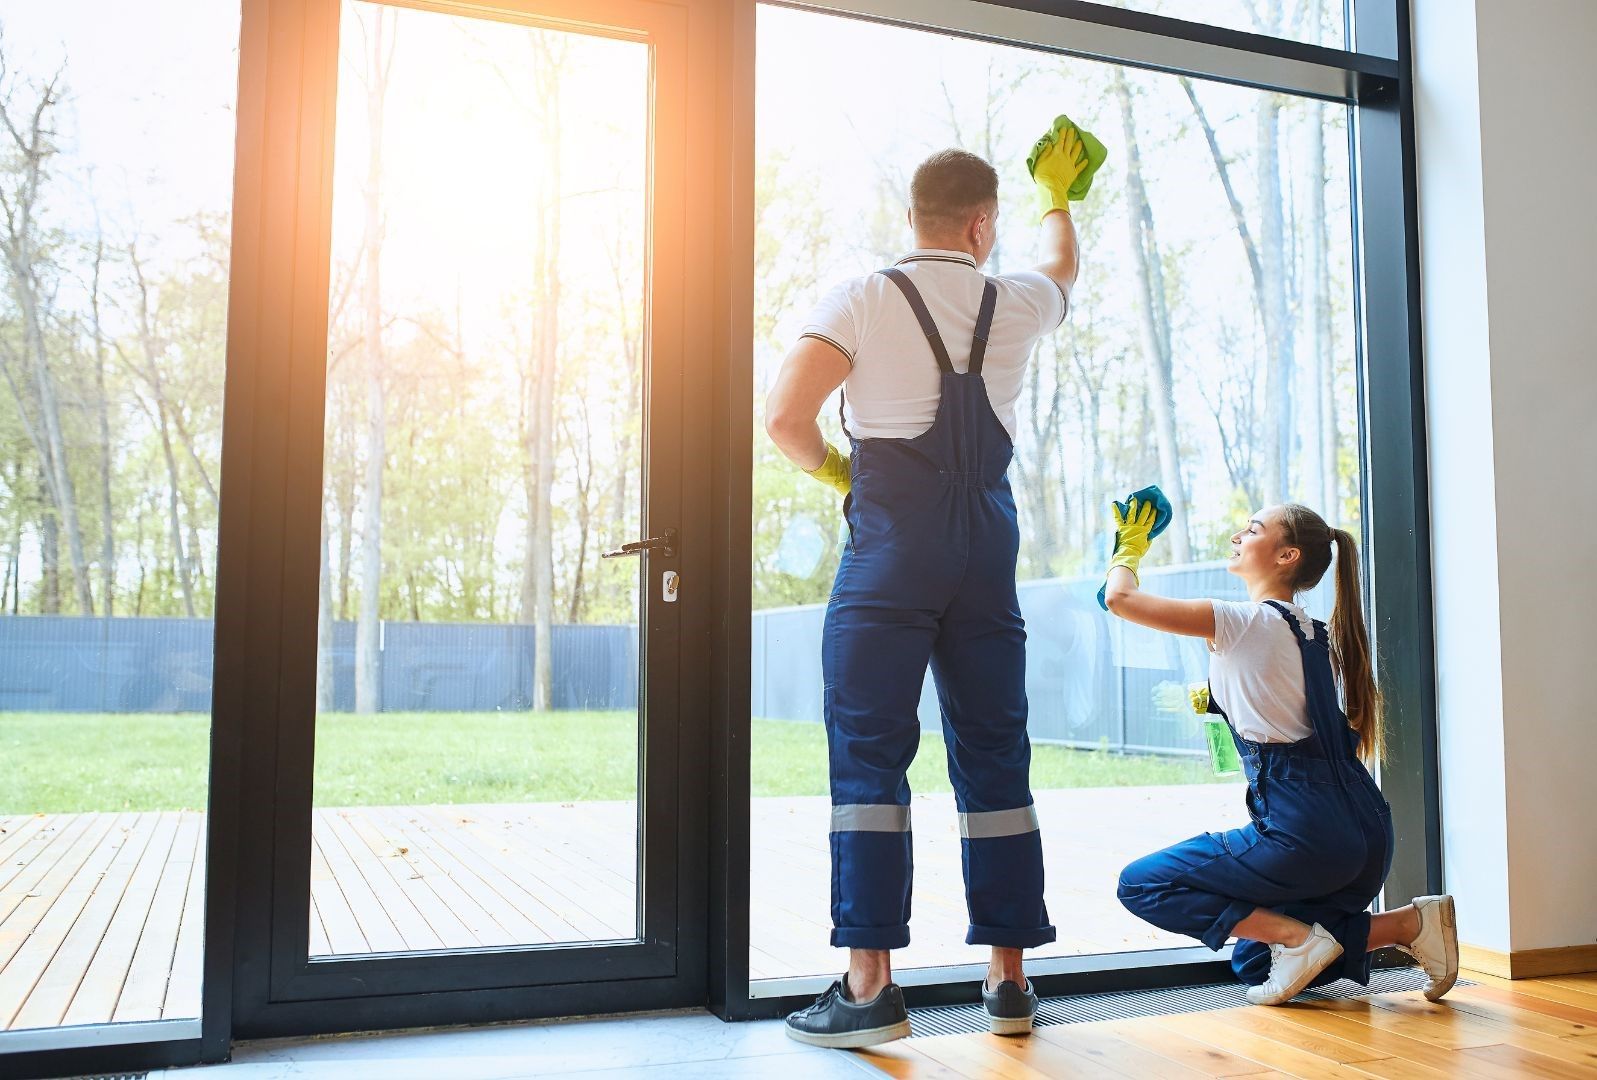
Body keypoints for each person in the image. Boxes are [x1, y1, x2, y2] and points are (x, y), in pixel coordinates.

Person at [765, 117, 1105, 1047]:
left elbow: (785, 417)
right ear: (980, 225)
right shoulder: (1019, 299)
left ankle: (870, 989)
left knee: (872, 760)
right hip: (985, 553)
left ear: (914, 217)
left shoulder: (862, 296)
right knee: (995, 752)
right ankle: (1007, 983)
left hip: (890, 554)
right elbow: (1065, 268)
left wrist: (839, 471)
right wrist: (1060, 199)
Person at [1103, 499, 1460, 1005]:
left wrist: (1129, 547)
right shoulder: (1317, 633)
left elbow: (1119, 599)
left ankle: (1299, 938)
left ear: (1287, 555)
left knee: (1142, 884)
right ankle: (1407, 924)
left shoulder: (1243, 621)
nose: (1237, 537)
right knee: (1253, 960)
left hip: (1305, 832)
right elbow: (1288, 706)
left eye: (1251, 530)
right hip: (1365, 831)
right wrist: (1218, 699)